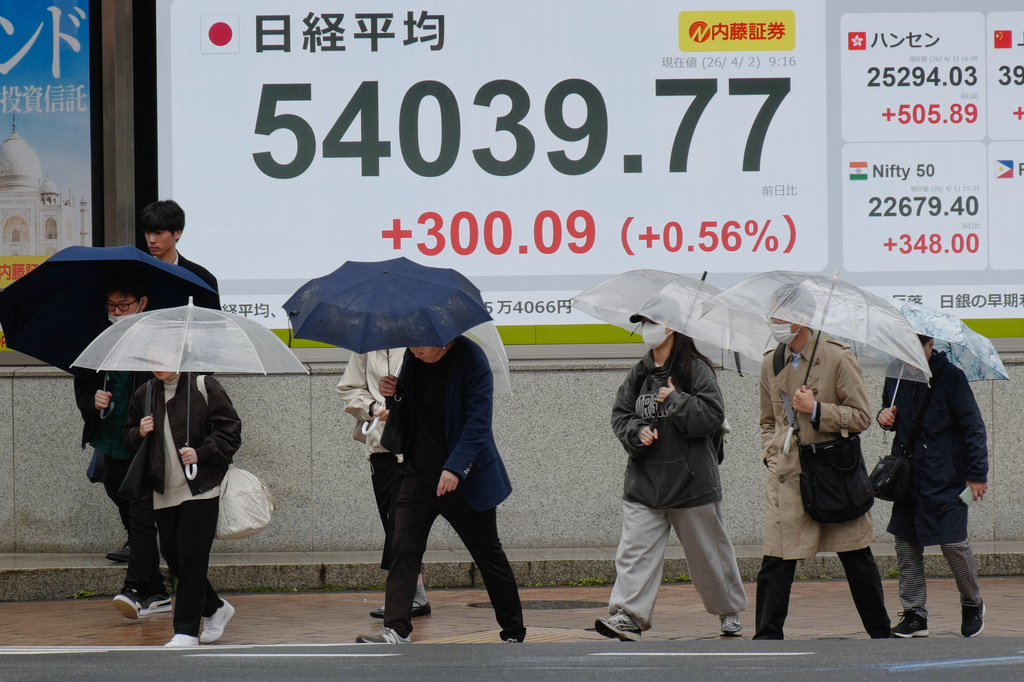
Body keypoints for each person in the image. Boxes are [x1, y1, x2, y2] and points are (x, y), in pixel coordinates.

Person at [356, 337, 526, 644]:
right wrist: (392, 396)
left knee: (488, 554)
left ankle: (513, 632)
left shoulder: (472, 359)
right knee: (403, 547)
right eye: (411, 346)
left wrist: (455, 468)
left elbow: (478, 423)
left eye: (422, 345)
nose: (415, 351)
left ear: (444, 339)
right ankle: (396, 629)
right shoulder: (414, 358)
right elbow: (406, 408)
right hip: (418, 473)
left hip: (464, 479)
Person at [596, 317, 747, 641]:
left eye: (654, 321)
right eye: (644, 321)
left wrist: (675, 399)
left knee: (709, 555)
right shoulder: (639, 372)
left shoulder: (694, 369)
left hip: (691, 482)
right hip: (644, 482)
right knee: (635, 552)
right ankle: (628, 616)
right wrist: (637, 431)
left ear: (672, 326)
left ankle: (728, 610)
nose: (648, 327)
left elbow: (712, 416)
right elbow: (621, 415)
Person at [754, 284, 891, 640]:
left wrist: (816, 410)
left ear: (800, 318)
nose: (773, 321)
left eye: (778, 313)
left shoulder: (837, 356)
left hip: (834, 473)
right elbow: (768, 420)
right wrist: (772, 451)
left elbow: (861, 416)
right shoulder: (772, 361)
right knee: (777, 559)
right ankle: (767, 637)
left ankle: (881, 633)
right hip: (788, 474)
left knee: (856, 556)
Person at [73, 267, 170, 618]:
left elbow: (173, 386)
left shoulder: (159, 341)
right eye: (111, 306)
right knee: (125, 504)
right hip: (111, 441)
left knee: (141, 516)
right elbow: (83, 385)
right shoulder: (98, 339)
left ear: (142, 303)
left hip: (145, 442)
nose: (116, 312)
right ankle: (157, 590)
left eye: (124, 305)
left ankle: (133, 588)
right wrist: (93, 401)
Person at [877, 334, 988, 638]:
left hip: (950, 480)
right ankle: (915, 614)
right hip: (908, 478)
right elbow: (887, 408)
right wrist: (883, 416)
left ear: (930, 346)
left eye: (917, 348)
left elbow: (974, 427)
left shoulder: (952, 377)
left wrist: (977, 475)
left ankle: (972, 603)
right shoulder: (894, 373)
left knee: (953, 543)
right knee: (906, 544)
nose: (909, 355)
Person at [123, 370, 241, 647]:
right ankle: (215, 608)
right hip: (164, 490)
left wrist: (202, 452)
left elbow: (231, 431)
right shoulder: (145, 393)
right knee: (173, 557)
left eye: (164, 356)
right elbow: (127, 440)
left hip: (201, 488)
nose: (158, 364)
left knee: (191, 559)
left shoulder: (203, 385)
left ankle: (186, 632)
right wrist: (138, 432)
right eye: (153, 358)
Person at [335, 349, 432, 619]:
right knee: (393, 523)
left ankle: (402, 600)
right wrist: (374, 407)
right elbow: (349, 387)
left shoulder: (421, 344)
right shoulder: (367, 347)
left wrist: (399, 397)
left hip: (416, 448)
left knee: (401, 524)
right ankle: (416, 595)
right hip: (382, 447)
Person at [139, 199, 220, 304]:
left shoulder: (201, 278)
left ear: (177, 233)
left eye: (158, 233)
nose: (151, 240)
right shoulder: (138, 276)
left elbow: (213, 318)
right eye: (148, 233)